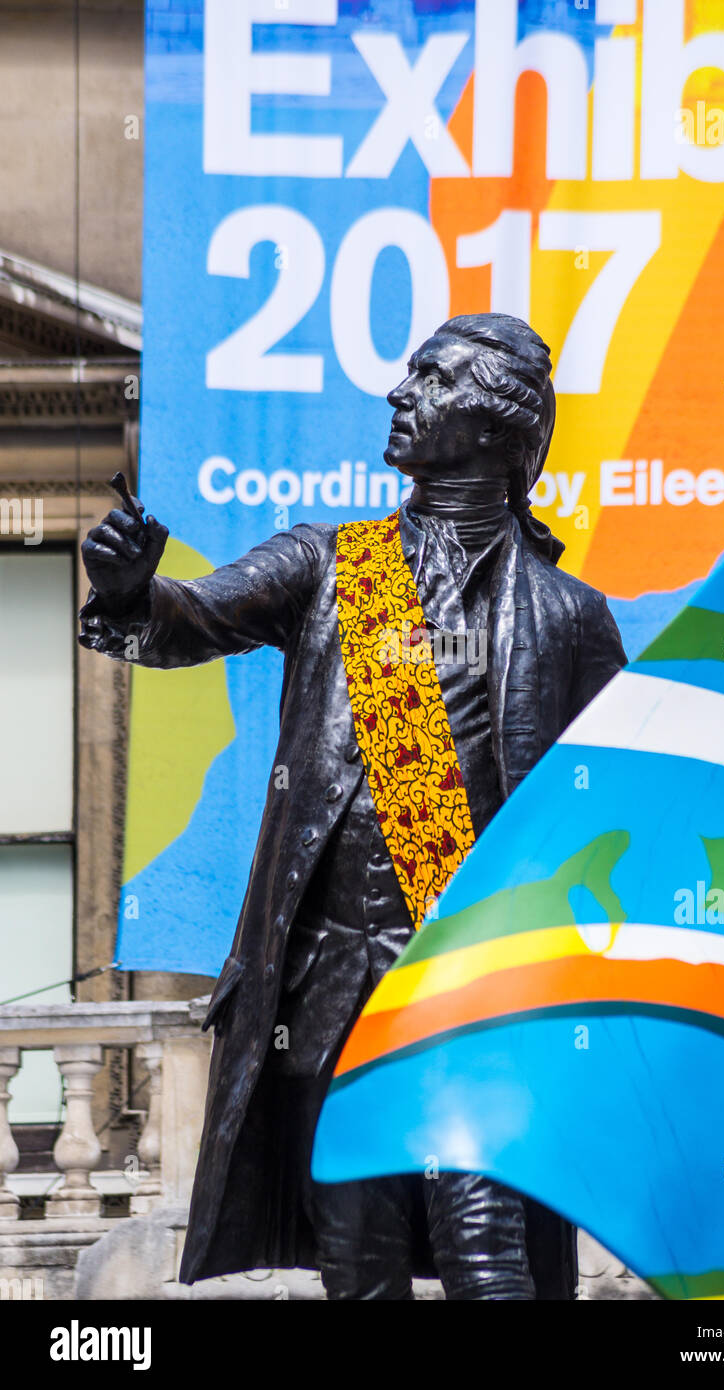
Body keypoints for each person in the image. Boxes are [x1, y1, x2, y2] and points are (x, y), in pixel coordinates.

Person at [80, 313, 626, 1299]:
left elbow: (612, 813)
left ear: (498, 425)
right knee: (358, 1261)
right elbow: (192, 616)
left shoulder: (570, 617)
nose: (398, 393)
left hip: (478, 983)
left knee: (490, 1253)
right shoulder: (335, 566)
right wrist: (128, 591)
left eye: (430, 379)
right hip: (334, 988)